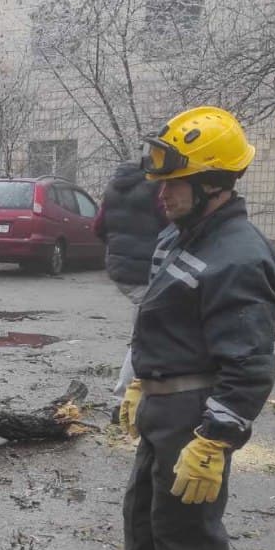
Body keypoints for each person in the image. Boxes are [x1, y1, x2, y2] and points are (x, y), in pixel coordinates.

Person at [92, 106, 275, 550]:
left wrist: (215, 440)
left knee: (187, 525)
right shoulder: (186, 237)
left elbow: (250, 363)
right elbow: (160, 320)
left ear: (212, 183)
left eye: (173, 183)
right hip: (164, 403)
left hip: (194, 413)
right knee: (145, 507)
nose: (162, 194)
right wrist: (136, 383)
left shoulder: (238, 257)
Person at [93, 161, 167, 417]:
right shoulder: (155, 189)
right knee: (144, 334)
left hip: (120, 271)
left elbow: (98, 228)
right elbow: (171, 224)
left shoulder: (112, 190)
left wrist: (117, 247)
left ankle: (135, 396)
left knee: (147, 328)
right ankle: (123, 401)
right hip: (148, 273)